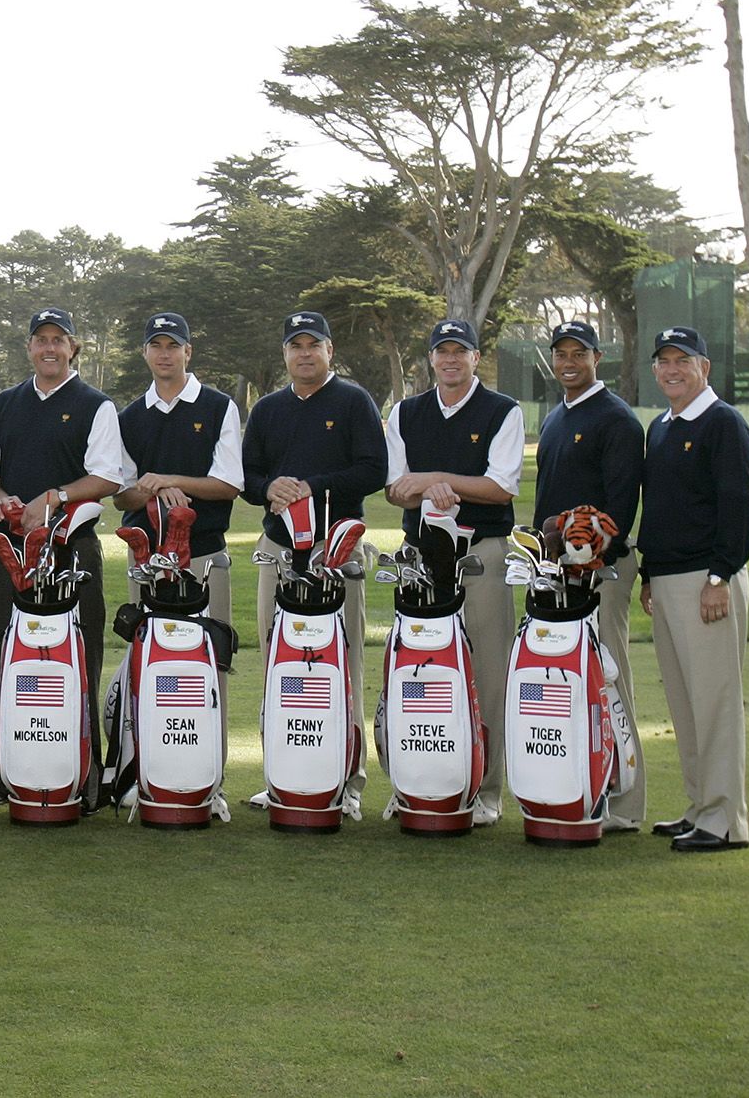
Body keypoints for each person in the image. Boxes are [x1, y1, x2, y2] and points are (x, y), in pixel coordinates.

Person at [0, 308, 126, 811]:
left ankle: (86, 777)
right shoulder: (5, 403)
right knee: (8, 656)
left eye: (60, 339)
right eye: (41, 339)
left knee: (79, 657)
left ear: (74, 347)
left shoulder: (95, 405)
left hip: (71, 546)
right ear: (29, 347)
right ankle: (7, 772)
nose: (50, 348)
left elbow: (107, 478)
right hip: (10, 546)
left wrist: (53, 498)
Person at [239, 311, 387, 818]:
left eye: (314, 344)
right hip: (280, 546)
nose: (305, 353)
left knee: (343, 662)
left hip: (336, 548)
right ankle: (281, 775)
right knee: (276, 659)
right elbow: (248, 471)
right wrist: (268, 487)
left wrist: (312, 485)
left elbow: (373, 469)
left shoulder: (352, 401)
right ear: (285, 354)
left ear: (329, 351)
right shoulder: (268, 409)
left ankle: (348, 781)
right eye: (295, 345)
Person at [383, 318, 524, 826]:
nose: (450, 360)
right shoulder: (406, 413)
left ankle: (486, 790)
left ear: (475, 357)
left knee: (486, 670)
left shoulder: (503, 411)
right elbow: (395, 487)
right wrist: (428, 486)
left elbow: (501, 487)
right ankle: (417, 782)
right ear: (431, 359)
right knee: (417, 669)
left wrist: (438, 481)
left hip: (482, 553)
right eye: (442, 352)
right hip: (419, 558)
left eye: (459, 352)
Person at [114, 311, 243, 812]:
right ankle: (144, 773)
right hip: (145, 560)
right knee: (147, 666)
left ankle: (211, 781)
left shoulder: (217, 407)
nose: (164, 354)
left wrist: (169, 479)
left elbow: (229, 483)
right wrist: (145, 487)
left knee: (210, 669)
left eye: (174, 346)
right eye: (156, 346)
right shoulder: (130, 416)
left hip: (204, 556)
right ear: (146, 354)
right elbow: (121, 493)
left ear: (189, 352)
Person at [639, 326, 749, 853]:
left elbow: (738, 506)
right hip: (667, 579)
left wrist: (719, 576)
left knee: (715, 702)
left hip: (706, 580)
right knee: (686, 705)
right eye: (663, 361)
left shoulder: (724, 424)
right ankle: (699, 808)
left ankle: (725, 820)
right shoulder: (661, 428)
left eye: (682, 360)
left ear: (703, 367)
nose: (671, 370)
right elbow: (662, 511)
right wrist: (648, 576)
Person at [534, 320, 645, 832]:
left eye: (580, 352)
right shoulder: (558, 416)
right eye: (561, 353)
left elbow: (619, 507)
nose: (569, 362)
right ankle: (580, 785)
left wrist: (593, 555)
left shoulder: (616, 419)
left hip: (602, 572)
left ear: (598, 358)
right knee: (569, 681)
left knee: (609, 678)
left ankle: (623, 803)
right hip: (558, 570)